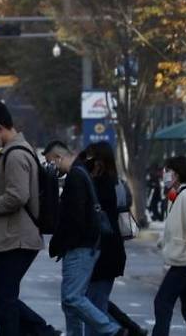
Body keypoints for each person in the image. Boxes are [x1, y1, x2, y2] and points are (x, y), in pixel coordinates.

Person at [0, 102, 58, 336]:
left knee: (4, 299)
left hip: (19, 238)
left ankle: (43, 332)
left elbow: (17, 196)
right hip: (13, 237)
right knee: (0, 296)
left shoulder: (15, 154)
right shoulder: (16, 151)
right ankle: (43, 332)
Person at [44, 140, 125, 336]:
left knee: (74, 298)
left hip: (82, 247)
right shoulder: (82, 174)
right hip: (86, 247)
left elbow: (74, 217)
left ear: (58, 157)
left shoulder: (78, 177)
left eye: (50, 162)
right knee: (70, 302)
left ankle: (113, 330)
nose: (50, 168)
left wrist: (63, 243)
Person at [81, 142, 147, 336]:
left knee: (93, 307)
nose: (87, 162)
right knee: (97, 302)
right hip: (113, 251)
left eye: (91, 157)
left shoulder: (99, 184)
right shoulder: (117, 182)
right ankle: (129, 329)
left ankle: (121, 331)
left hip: (102, 252)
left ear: (99, 161)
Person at [153, 156, 186, 336]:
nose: (164, 175)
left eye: (167, 171)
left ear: (176, 174)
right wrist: (162, 241)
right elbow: (175, 226)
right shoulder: (178, 196)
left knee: (162, 302)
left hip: (185, 262)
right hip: (184, 261)